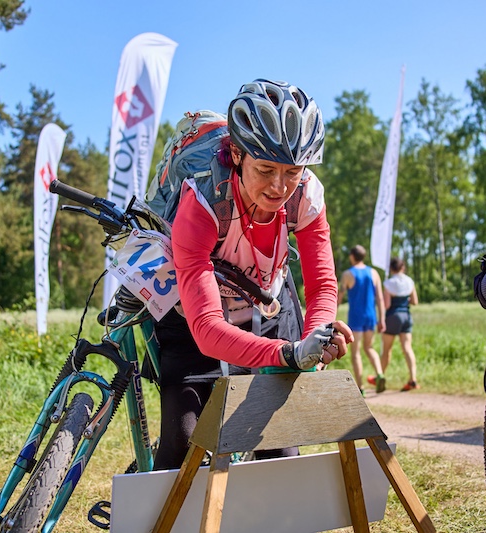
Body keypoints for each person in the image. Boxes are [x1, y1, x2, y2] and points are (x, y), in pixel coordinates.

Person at [152, 79, 354, 470]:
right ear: (237, 155)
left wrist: (317, 339)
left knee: (280, 451)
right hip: (192, 318)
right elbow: (206, 328)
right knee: (182, 447)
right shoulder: (203, 199)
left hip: (266, 307)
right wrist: (288, 354)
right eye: (265, 169)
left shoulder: (306, 195)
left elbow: (322, 286)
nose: (279, 186)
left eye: (292, 171)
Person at [337, 245, 386, 394]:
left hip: (356, 317)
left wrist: (332, 315)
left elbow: (339, 297)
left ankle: (361, 387)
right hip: (371, 316)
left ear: (352, 256)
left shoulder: (347, 274)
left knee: (356, 352)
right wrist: (382, 319)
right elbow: (380, 298)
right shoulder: (374, 273)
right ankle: (379, 374)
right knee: (369, 347)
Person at [380, 257, 420, 391]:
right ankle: (413, 379)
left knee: (387, 350)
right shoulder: (410, 281)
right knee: (407, 348)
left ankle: (380, 375)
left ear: (391, 268)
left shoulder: (388, 283)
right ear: (403, 267)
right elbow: (415, 301)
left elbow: (387, 305)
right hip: (406, 316)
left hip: (393, 316)